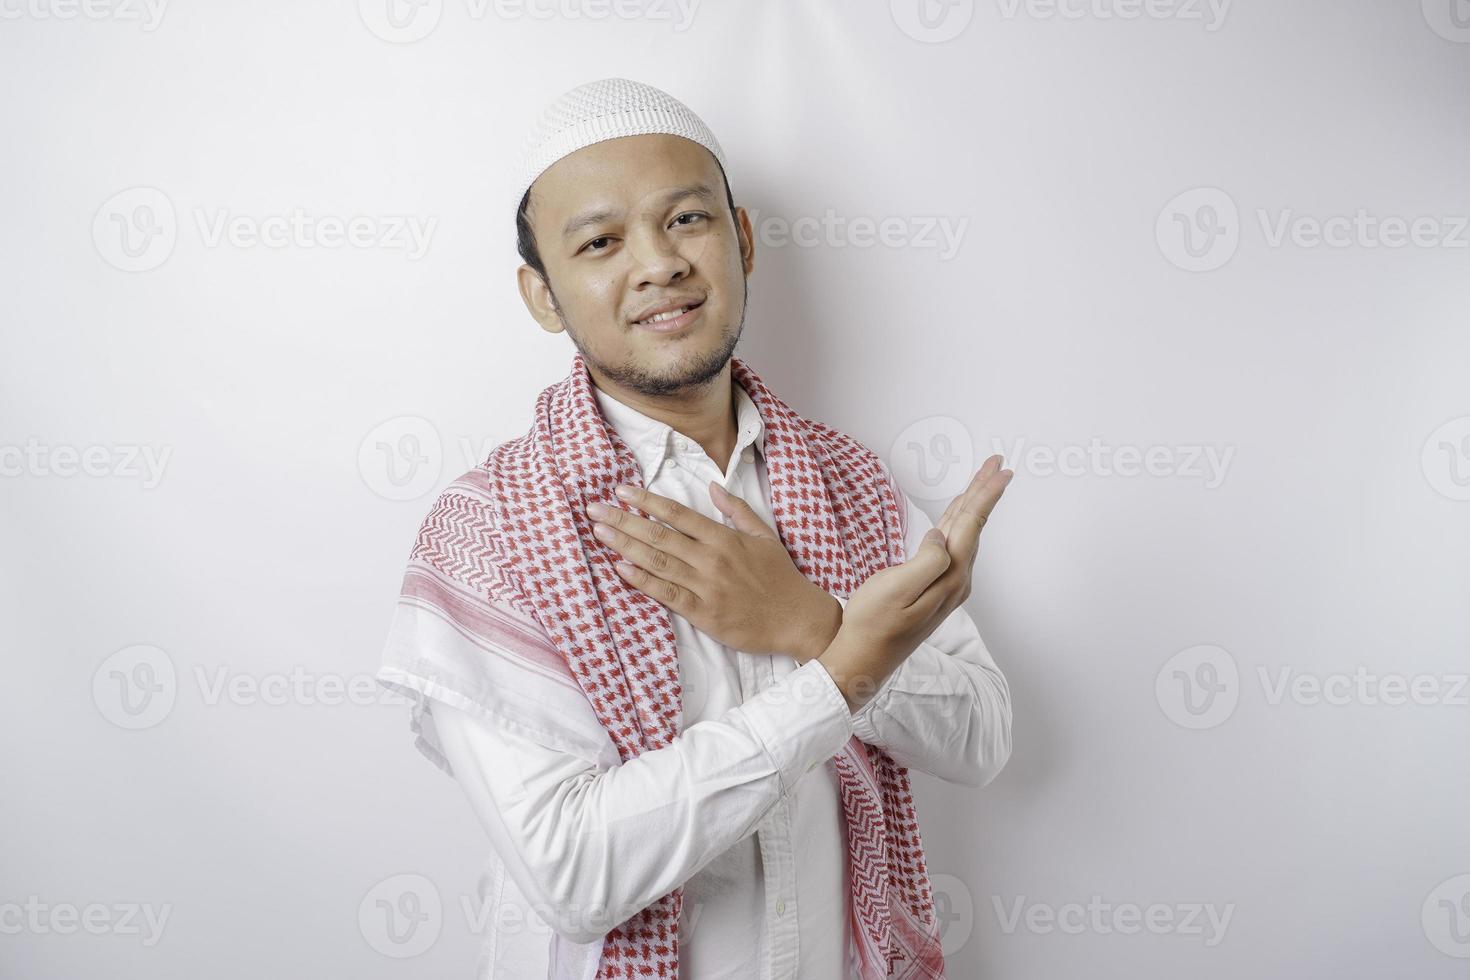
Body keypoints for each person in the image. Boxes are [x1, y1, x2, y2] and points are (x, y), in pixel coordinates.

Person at [376, 76, 1015, 980]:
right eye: (600, 242)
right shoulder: (490, 532)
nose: (660, 265)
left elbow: (984, 739)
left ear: (741, 239)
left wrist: (805, 623)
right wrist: (840, 671)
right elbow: (574, 873)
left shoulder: (852, 484)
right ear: (542, 295)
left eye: (687, 221)